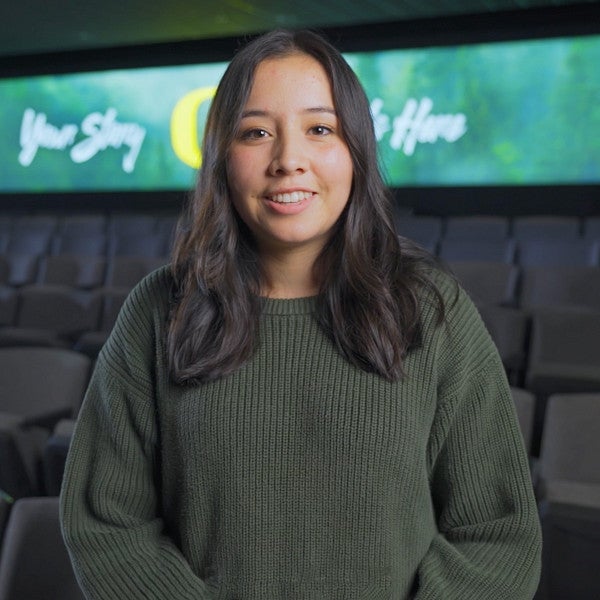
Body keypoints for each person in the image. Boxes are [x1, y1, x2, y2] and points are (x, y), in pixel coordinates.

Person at [60, 29, 542, 599]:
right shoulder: (158, 311)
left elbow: (497, 533)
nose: (288, 160)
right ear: (221, 157)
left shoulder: (431, 309)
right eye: (256, 133)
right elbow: (107, 524)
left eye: (320, 130)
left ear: (355, 149)